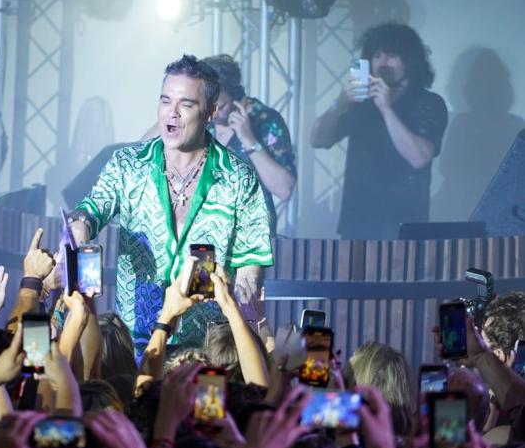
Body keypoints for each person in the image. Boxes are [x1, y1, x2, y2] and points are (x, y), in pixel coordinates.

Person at [68, 54, 273, 352]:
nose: (171, 113)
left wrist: (244, 307)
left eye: (185, 104)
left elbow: (250, 268)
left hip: (205, 350)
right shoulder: (128, 165)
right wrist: (80, 225)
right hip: (136, 345)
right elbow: (92, 208)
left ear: (211, 112)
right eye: (165, 101)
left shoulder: (239, 178)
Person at [311, 22, 448, 239]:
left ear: (410, 61)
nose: (382, 63)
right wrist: (339, 104)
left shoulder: (428, 103)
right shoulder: (360, 103)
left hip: (404, 226)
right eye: (377, 56)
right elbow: (318, 140)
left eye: (391, 56)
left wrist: (386, 108)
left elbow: (419, 158)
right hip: (357, 225)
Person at [143, 54, 297, 232]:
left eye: (221, 106)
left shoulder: (265, 120)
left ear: (237, 96)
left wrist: (249, 139)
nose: (213, 114)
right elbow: (142, 156)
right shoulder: (200, 116)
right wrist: (173, 111)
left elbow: (284, 189)